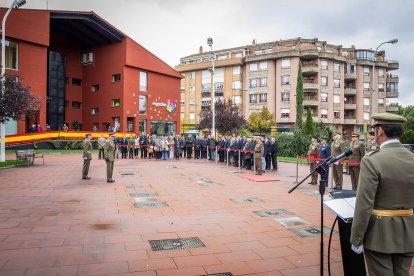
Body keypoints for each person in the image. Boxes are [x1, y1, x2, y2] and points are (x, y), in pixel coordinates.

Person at [350, 113, 414, 276]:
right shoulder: (412, 158)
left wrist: (357, 237)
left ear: (379, 131)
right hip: (409, 231)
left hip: (380, 235)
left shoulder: (372, 160)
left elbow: (364, 204)